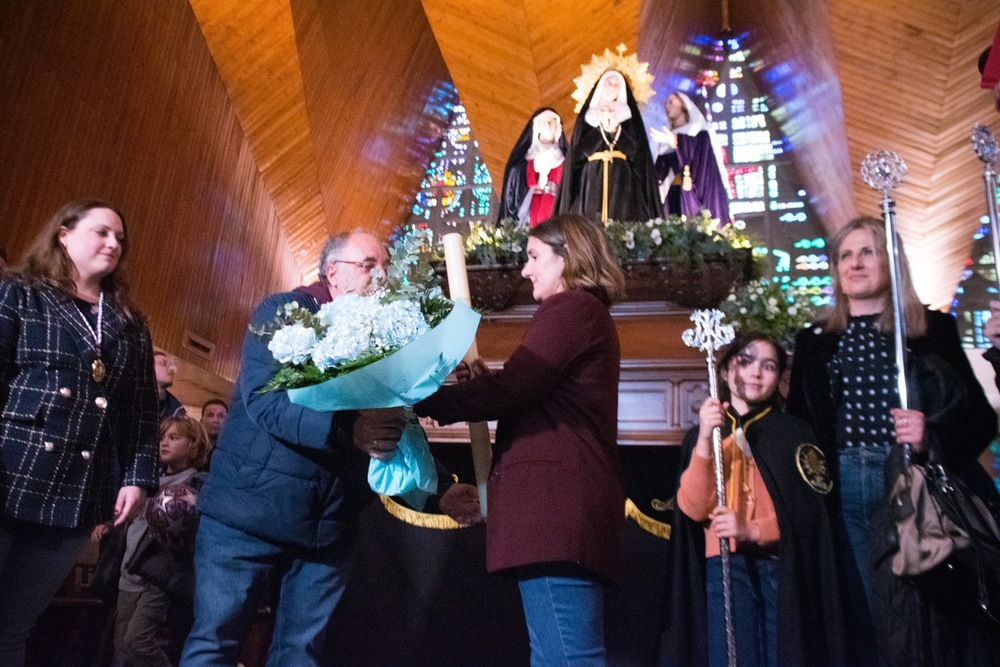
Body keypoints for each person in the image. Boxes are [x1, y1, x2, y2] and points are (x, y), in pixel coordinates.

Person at [181, 230, 408, 666]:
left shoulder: (386, 338)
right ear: (333, 272)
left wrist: (440, 490)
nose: (382, 276)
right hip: (248, 517)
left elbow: (395, 428)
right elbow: (266, 400)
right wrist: (348, 431)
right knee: (215, 644)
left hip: (327, 528)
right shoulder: (286, 313)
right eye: (369, 265)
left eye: (386, 267)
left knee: (301, 655)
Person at [415, 213, 627, 666]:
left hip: (555, 511)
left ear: (568, 256)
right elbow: (537, 392)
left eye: (533, 257)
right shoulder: (587, 314)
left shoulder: (573, 307)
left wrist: (428, 399)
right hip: (562, 513)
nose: (526, 270)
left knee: (568, 658)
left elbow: (517, 388)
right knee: (556, 655)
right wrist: (490, 384)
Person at [787, 215, 999, 663]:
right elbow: (800, 429)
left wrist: (931, 434)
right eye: (845, 255)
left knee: (920, 612)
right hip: (841, 488)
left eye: (868, 252)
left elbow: (980, 419)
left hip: (909, 482)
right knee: (864, 611)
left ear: (891, 262)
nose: (855, 263)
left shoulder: (930, 330)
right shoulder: (815, 341)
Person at [0, 198, 160, 667]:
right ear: (64, 234)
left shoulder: (130, 321)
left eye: (120, 238)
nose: (114, 243)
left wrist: (137, 477)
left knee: (13, 626)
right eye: (102, 232)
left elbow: (139, 413)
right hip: (10, 473)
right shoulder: (20, 293)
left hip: (76, 493)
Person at [664, 331, 848, 667]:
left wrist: (753, 530)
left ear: (778, 378)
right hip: (722, 567)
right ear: (724, 371)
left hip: (778, 568)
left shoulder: (793, 434)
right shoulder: (702, 436)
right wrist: (706, 438)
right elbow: (692, 508)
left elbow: (809, 514)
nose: (756, 373)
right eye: (745, 362)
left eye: (769, 366)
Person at [115, 415, 211, 667]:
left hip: (157, 576)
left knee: (137, 642)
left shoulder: (195, 483)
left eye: (174, 437)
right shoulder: (148, 479)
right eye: (161, 437)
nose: (164, 443)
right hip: (130, 569)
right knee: (121, 651)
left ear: (192, 445)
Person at [555, 70, 663, 224]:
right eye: (608, 83)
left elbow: (638, 154)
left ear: (622, 89)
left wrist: (616, 130)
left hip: (622, 178)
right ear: (600, 86)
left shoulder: (628, 115)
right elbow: (577, 156)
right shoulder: (588, 116)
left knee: (621, 221)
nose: (612, 87)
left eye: (616, 84)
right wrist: (601, 130)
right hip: (591, 178)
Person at [651, 92, 731, 222]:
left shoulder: (699, 130)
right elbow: (660, 172)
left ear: (683, 104)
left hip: (696, 194)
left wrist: (677, 141)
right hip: (674, 193)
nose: (667, 106)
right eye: (665, 103)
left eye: (671, 102)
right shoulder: (666, 137)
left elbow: (701, 154)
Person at [498, 108, 567, 227]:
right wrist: (533, 166)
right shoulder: (526, 156)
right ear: (537, 126)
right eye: (545, 122)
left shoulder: (564, 157)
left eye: (551, 122)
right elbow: (514, 177)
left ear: (558, 127)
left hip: (556, 211)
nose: (548, 125)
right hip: (529, 209)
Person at [153, 348, 186, 420]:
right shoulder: (132, 397)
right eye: (164, 363)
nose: (172, 369)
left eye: (171, 365)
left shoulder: (177, 411)